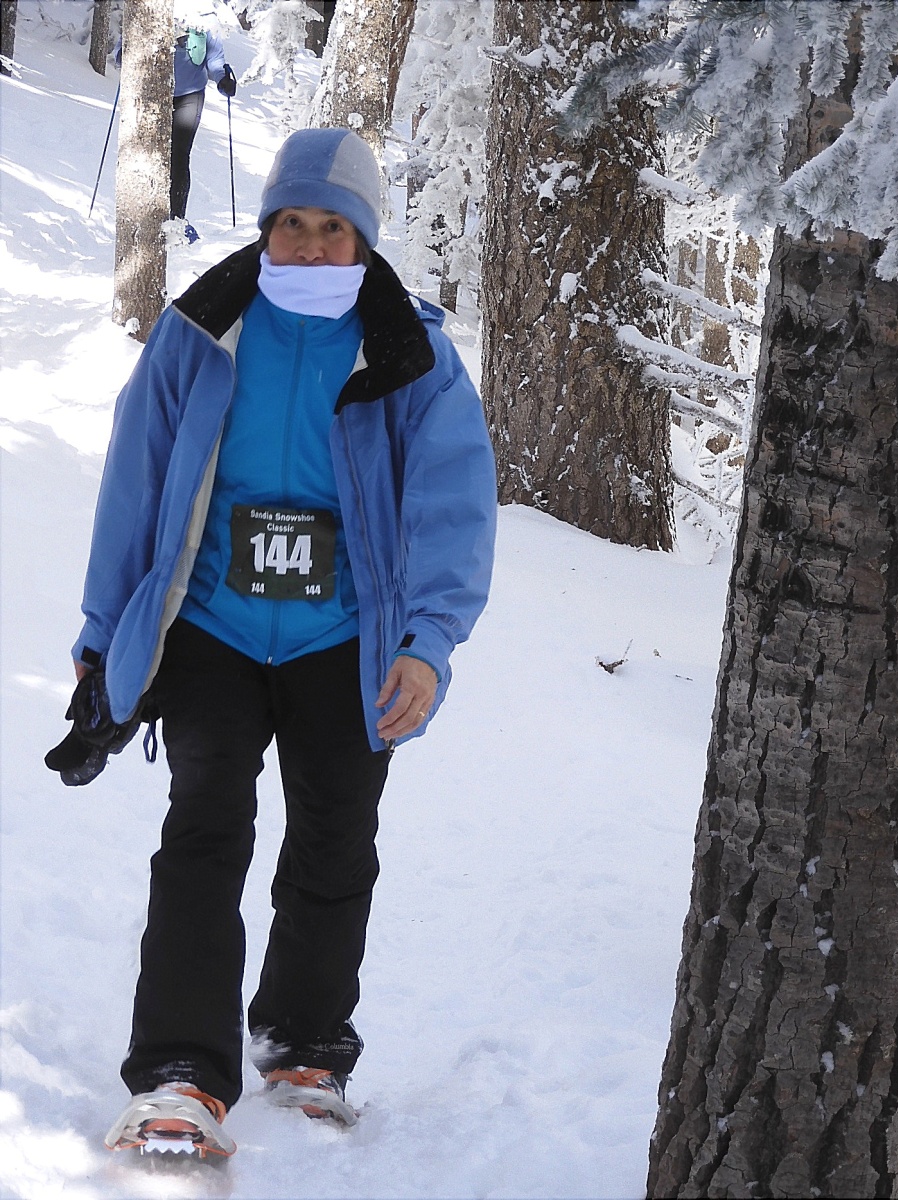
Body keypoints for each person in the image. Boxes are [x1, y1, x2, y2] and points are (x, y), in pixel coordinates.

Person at [72, 126, 497, 1156]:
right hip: (212, 627)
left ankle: (305, 1049)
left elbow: (453, 510)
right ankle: (179, 1074)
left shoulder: (411, 353)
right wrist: (101, 634)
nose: (308, 244)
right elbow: (134, 484)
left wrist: (426, 642)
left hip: (345, 639)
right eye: (291, 223)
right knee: (203, 836)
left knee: (334, 844)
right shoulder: (200, 330)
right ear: (266, 228)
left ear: (364, 239)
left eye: (332, 227)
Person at [115, 4, 236, 242]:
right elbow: (127, 43)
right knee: (148, 155)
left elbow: (214, 59)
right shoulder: (150, 6)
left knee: (179, 157)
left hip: (190, 95)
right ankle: (145, 217)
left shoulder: (204, 16)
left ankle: (176, 221)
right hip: (152, 94)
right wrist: (124, 55)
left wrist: (223, 79)